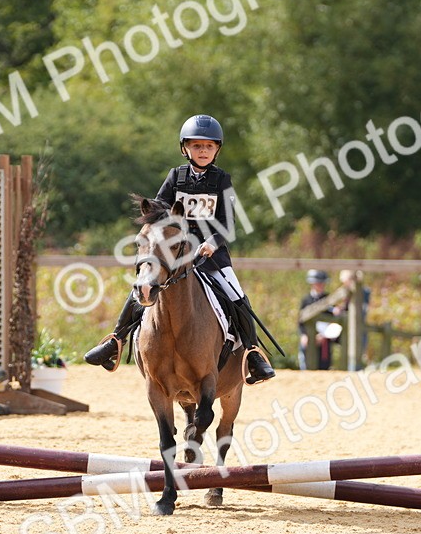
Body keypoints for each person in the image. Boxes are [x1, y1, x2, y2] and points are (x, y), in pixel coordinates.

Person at [83, 114, 276, 384]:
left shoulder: (223, 180)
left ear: (217, 149)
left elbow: (228, 222)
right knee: (141, 287)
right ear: (185, 148)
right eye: (197, 146)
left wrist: (211, 243)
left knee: (237, 296)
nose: (203, 151)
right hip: (175, 252)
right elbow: (159, 208)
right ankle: (115, 341)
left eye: (209, 146)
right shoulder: (176, 175)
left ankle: (253, 354)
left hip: (212, 255)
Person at [298, 269, 338, 370]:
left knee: (324, 363)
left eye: (322, 283)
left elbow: (333, 319)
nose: (320, 285)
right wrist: (304, 335)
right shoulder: (306, 299)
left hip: (324, 338)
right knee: (307, 361)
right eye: (318, 283)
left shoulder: (328, 298)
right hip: (309, 336)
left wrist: (324, 335)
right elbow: (301, 321)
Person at [335, 269, 372, 369]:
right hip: (352, 327)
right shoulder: (354, 291)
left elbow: (360, 309)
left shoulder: (361, 292)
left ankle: (355, 368)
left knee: (357, 351)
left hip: (358, 327)